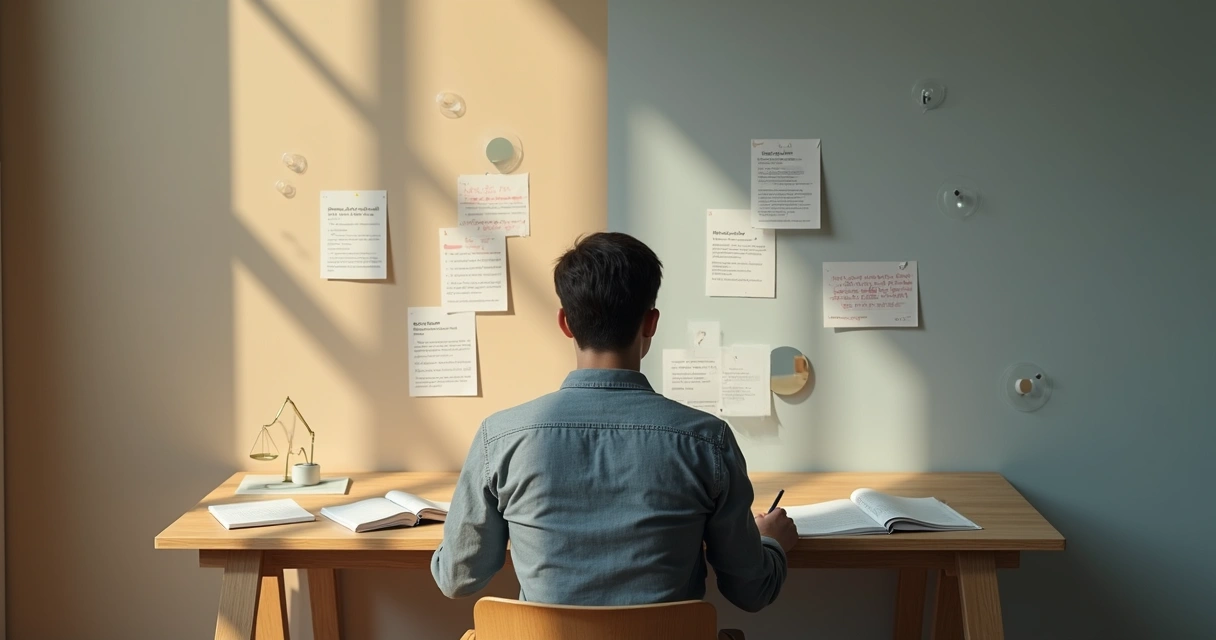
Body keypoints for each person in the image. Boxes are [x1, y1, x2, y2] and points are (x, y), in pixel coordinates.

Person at [431, 232, 797, 612]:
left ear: (566, 323)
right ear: (651, 322)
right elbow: (750, 591)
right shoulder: (708, 440)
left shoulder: (502, 438)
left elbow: (457, 578)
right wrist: (768, 540)